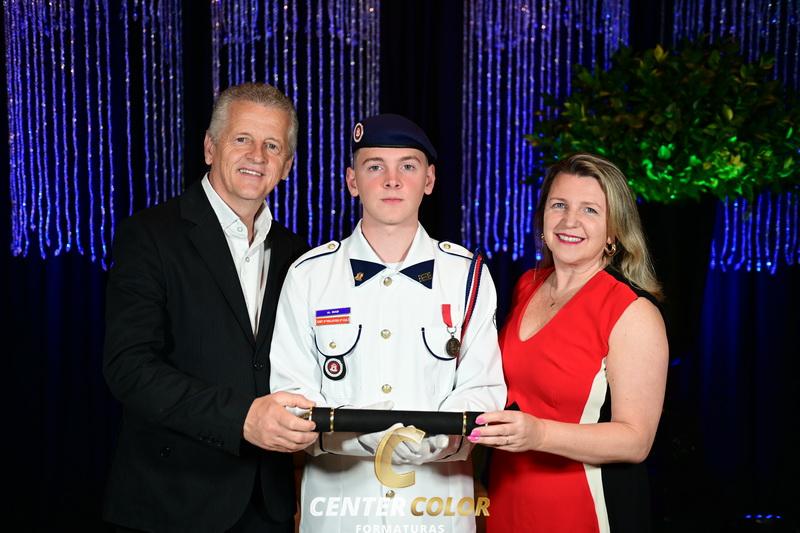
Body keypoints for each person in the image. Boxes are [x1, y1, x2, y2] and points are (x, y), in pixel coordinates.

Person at [269, 114, 506, 532]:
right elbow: (291, 395)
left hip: (436, 513)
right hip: (340, 514)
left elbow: (483, 390)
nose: (392, 181)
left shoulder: (467, 276)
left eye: (408, 166)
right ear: (352, 181)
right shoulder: (309, 275)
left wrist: (433, 440)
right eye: (375, 166)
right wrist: (363, 437)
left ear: (429, 180)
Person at [103, 82, 318, 533]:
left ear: (287, 166)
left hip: (269, 505)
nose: (257, 155)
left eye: (272, 145)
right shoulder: (150, 235)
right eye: (242, 139)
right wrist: (241, 418)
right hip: (173, 501)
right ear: (209, 147)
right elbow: (129, 367)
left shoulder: (298, 255)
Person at [470, 153, 668, 532]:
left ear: (613, 232)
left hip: (583, 509)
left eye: (590, 210)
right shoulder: (528, 285)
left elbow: (635, 441)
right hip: (507, 498)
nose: (569, 221)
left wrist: (539, 434)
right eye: (559, 205)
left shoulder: (632, 311)